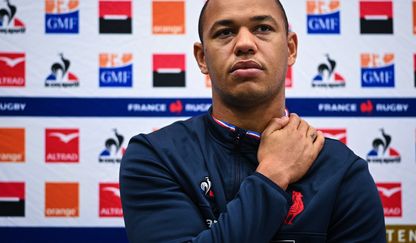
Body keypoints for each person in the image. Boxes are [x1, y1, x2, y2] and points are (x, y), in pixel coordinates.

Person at [119, 0, 386, 242]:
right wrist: (273, 173)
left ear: (290, 48)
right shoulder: (156, 157)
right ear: (202, 58)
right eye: (225, 32)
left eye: (262, 28)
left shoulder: (342, 171)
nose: (244, 43)